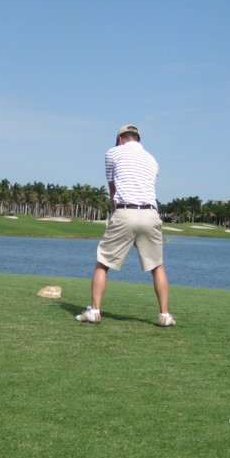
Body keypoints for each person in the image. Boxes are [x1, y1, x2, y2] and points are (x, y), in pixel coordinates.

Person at [75, 124, 176, 327]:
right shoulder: (152, 159)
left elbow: (112, 189)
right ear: (137, 139)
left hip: (125, 211)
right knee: (157, 266)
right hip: (151, 213)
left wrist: (115, 212)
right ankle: (164, 315)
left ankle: (94, 311)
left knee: (102, 262)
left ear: (120, 139)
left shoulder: (112, 152)